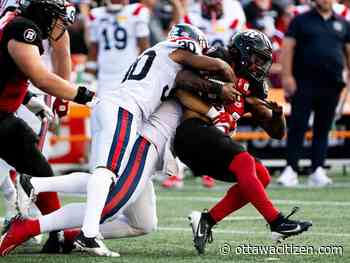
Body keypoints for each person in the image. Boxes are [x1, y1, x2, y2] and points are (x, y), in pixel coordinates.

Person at [172, 30, 312, 254]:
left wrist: (277, 116)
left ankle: (207, 220)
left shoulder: (254, 88)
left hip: (211, 146)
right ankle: (276, 223)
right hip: (191, 134)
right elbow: (179, 84)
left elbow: (277, 134)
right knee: (244, 161)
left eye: (264, 61)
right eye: (257, 59)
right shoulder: (218, 60)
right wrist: (216, 95)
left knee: (262, 176)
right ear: (242, 53)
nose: (260, 66)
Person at [0, 0, 94, 249]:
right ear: (42, 12)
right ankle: (56, 230)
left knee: (35, 165)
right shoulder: (23, 29)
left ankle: (57, 231)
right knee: (30, 160)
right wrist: (83, 95)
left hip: (4, 115)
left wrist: (29, 99)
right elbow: (41, 78)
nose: (60, 26)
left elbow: (9, 70)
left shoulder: (15, 23)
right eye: (57, 18)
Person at [278, 0, 350, 187]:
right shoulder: (300, 21)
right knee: (298, 126)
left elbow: (348, 51)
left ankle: (317, 169)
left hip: (332, 84)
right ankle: (290, 169)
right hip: (304, 83)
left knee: (323, 128)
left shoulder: (343, 22)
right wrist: (287, 76)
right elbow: (287, 48)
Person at [83, 0, 151, 99]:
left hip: (129, 77)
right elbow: (93, 52)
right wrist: (87, 81)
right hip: (105, 79)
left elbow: (144, 49)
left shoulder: (136, 11)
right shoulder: (96, 15)